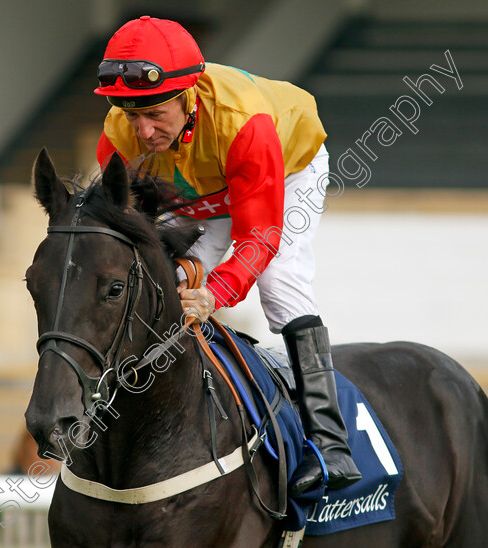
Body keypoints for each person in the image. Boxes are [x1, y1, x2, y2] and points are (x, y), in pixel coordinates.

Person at [94, 16, 361, 495]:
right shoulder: (119, 132)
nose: (144, 130)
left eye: (155, 113)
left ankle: (330, 443)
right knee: (166, 278)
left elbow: (259, 236)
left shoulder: (244, 123)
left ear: (187, 95)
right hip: (200, 184)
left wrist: (215, 293)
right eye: (133, 114)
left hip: (285, 164)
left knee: (278, 280)